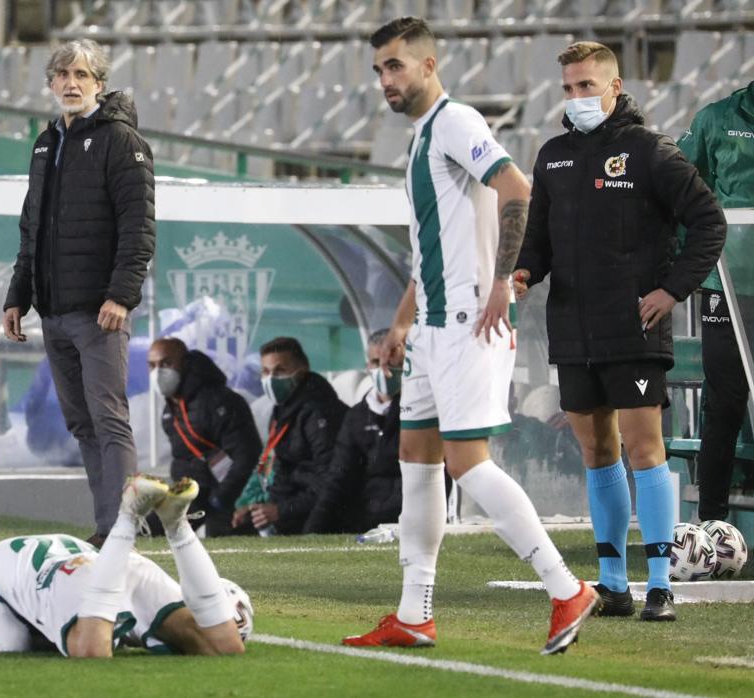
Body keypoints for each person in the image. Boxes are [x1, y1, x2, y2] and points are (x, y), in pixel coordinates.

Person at [346, 17, 595, 656]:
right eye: (379, 70)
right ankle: (413, 614)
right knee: (417, 467)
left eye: (396, 66)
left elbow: (518, 189)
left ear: (430, 65)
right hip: (433, 327)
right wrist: (402, 322)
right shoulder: (424, 136)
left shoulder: (456, 123)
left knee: (467, 464)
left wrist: (503, 284)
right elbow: (433, 250)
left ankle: (565, 587)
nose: (385, 80)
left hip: (466, 325)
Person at [514, 41, 726, 623]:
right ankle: (613, 582)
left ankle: (660, 584)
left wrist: (673, 290)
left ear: (615, 86)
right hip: (574, 330)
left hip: (635, 329)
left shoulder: (650, 151)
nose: (578, 97)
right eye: (569, 88)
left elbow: (709, 222)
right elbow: (538, 239)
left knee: (644, 450)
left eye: (587, 86)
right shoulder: (553, 156)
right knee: (596, 452)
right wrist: (525, 271)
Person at [1, 39, 156, 548]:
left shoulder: (121, 141)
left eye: (83, 75)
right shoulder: (45, 144)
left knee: (110, 420)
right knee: (83, 424)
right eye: (63, 74)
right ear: (50, 83)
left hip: (99, 312)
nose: (72, 83)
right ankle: (107, 525)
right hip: (54, 312)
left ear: (100, 85)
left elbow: (139, 227)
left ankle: (122, 529)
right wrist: (16, 296)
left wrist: (121, 295)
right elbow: (32, 228)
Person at [0, 474, 249, 657]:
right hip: (117, 563)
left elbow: (12, 641)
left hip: (75, 573)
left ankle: (129, 516)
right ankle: (178, 525)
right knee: (224, 647)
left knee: (91, 651)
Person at [678, 81, 754, 525]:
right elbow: (685, 195)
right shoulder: (716, 119)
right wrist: (692, 265)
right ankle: (711, 527)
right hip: (726, 285)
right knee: (724, 402)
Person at [230, 337, 346, 536]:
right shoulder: (283, 410)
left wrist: (281, 510)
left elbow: (330, 480)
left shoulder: (320, 413)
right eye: (266, 372)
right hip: (292, 503)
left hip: (317, 510)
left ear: (302, 371)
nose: (271, 379)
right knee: (234, 525)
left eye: (279, 370)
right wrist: (256, 506)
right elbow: (279, 468)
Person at [148, 337, 261, 536]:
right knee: (147, 531)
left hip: (233, 495)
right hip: (196, 493)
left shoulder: (220, 401)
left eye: (166, 363)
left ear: (184, 363)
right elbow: (182, 458)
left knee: (221, 541)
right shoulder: (171, 409)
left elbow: (246, 455)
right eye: (152, 365)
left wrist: (222, 497)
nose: (158, 372)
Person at [304, 329, 404, 534]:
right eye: (377, 363)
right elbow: (338, 477)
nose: (384, 370)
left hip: (409, 518)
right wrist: (313, 530)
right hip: (366, 519)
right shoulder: (357, 417)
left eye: (392, 363)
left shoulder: (423, 412)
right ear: (368, 366)